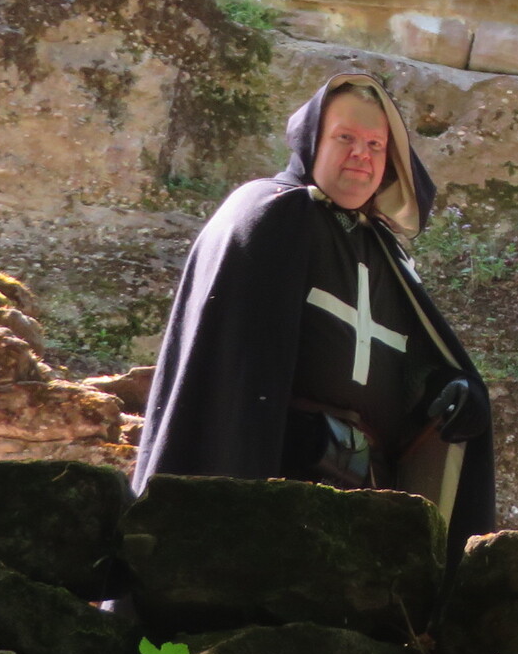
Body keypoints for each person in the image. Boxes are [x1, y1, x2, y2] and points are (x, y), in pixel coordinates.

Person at [131, 74, 496, 552]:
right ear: (312, 142)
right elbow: (232, 366)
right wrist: (286, 431)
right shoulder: (268, 213)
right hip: (273, 480)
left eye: (375, 144)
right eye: (345, 137)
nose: (361, 154)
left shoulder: (386, 252)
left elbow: (410, 363)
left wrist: (452, 389)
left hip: (368, 495)